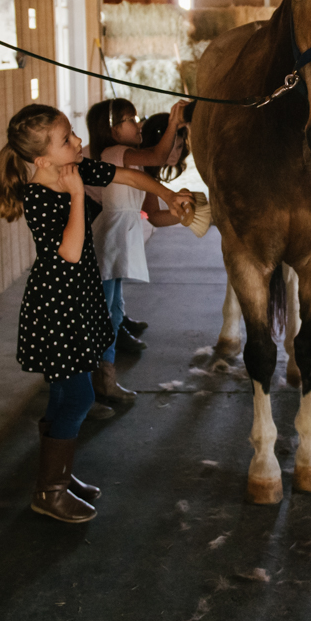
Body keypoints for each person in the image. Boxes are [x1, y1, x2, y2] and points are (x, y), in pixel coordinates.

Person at [0, 103, 192, 522]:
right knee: (79, 396)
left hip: (77, 298)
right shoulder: (40, 197)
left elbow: (131, 175)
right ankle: (49, 491)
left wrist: (169, 194)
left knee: (66, 392)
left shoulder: (75, 171)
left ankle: (58, 475)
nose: (79, 142)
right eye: (67, 140)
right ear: (42, 159)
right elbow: (68, 250)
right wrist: (79, 196)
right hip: (56, 305)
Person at [84, 99, 189, 401]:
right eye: (130, 119)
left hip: (121, 239)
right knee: (103, 314)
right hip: (109, 239)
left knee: (113, 312)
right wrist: (172, 123)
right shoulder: (114, 154)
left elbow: (154, 215)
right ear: (113, 131)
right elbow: (159, 153)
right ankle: (95, 380)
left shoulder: (133, 161)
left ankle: (105, 376)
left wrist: (186, 216)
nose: (139, 124)